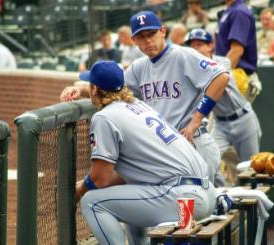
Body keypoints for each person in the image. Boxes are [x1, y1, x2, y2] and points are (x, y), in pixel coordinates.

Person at [61, 11, 230, 186]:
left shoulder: (182, 55)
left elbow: (221, 77)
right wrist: (79, 89)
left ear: (162, 31)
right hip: (170, 152)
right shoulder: (139, 67)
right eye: (141, 37)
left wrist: (196, 120)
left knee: (201, 208)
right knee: (201, 207)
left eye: (151, 34)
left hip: (195, 143)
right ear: (134, 41)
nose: (148, 40)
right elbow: (110, 88)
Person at [76, 60, 217, 245]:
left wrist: (80, 189)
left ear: (94, 89)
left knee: (91, 202)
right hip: (206, 193)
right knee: (129, 190)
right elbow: (120, 177)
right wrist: (87, 181)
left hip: (182, 197)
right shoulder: (139, 106)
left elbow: (100, 179)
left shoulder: (104, 116)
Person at [185, 28, 261, 164]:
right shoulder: (193, 70)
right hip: (220, 125)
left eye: (199, 44)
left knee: (251, 165)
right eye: (192, 45)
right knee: (208, 161)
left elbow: (216, 81)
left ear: (210, 46)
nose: (194, 49)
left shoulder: (222, 62)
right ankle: (219, 185)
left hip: (243, 118)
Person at [215, 0, 261, 103]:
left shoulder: (239, 12)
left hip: (237, 77)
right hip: (229, 74)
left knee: (231, 119)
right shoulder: (229, 10)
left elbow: (237, 50)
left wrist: (219, 76)